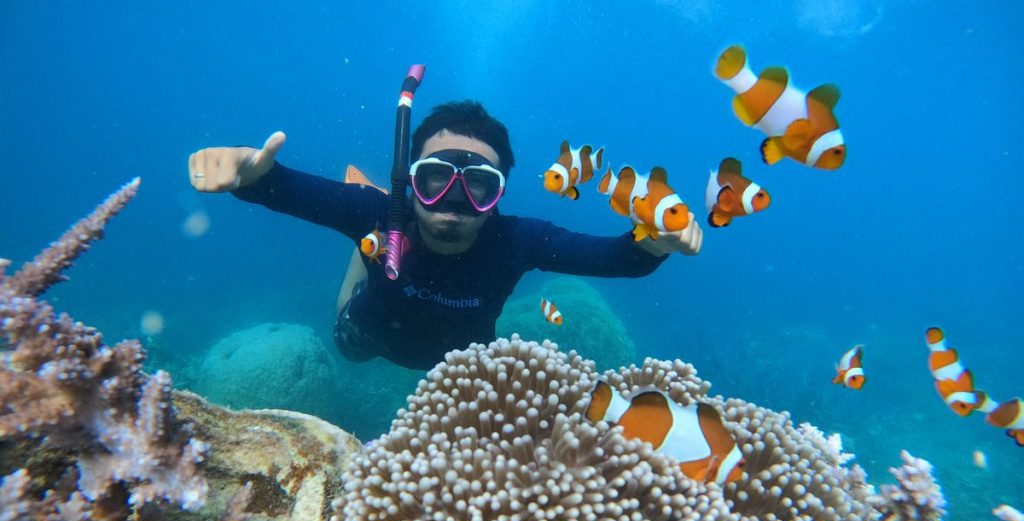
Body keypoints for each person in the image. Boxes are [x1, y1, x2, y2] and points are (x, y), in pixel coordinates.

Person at [188, 101, 702, 369]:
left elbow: (610, 257)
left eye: (478, 184)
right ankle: (363, 250)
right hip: (365, 335)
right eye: (435, 179)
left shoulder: (520, 239)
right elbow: (283, 188)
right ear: (410, 181)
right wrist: (250, 177)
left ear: (498, 194)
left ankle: (369, 247)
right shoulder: (381, 210)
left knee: (370, 227)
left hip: (457, 362)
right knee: (351, 322)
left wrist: (654, 242)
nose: (454, 205)